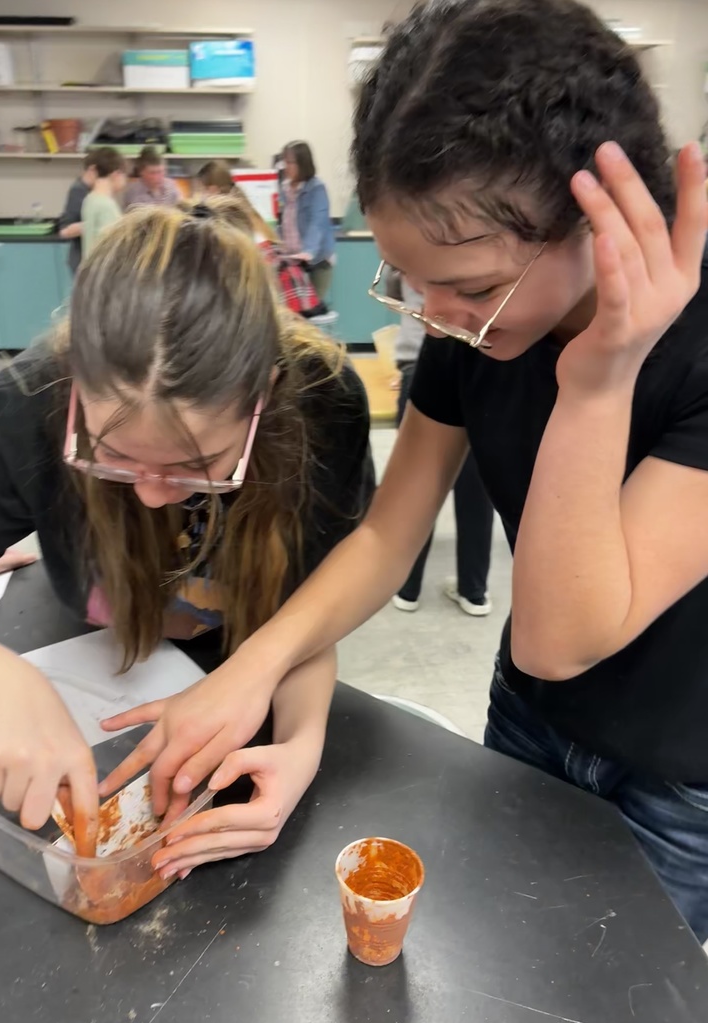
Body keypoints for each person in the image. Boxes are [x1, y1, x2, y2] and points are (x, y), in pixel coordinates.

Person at [131, 0, 708, 941]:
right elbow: (389, 533)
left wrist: (599, 380)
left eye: (473, 288)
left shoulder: (688, 348)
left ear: (604, 225)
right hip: (530, 721)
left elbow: (562, 635)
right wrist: (254, 669)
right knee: (503, 950)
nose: (437, 316)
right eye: (413, 282)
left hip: (681, 772)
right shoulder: (468, 321)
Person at [0, 202, 373, 869]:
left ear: (267, 398)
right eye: (112, 456)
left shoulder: (323, 403)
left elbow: (311, 613)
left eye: (196, 468)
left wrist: (302, 742)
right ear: (74, 389)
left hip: (259, 668)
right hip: (96, 660)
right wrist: (1, 682)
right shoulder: (21, 405)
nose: (148, 492)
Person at [387, 270, 494, 615]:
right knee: (476, 491)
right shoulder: (483, 250)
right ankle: (473, 590)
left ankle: (407, 587)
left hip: (420, 364)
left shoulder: (408, 250)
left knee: (419, 488)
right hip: (483, 365)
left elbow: (395, 289)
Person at [196, 161, 328, 318]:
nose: (201, 195)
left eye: (203, 189)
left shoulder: (226, 215)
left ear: (213, 189)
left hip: (279, 290)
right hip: (294, 288)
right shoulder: (246, 207)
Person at [279, 141, 335, 300]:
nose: (286, 166)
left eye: (291, 162)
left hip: (316, 263)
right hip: (292, 263)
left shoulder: (316, 188)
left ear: (303, 163)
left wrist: (308, 251)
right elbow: (283, 220)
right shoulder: (284, 188)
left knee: (312, 310)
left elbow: (317, 222)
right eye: (285, 162)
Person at [80, 146, 127, 259]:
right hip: (104, 273)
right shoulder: (106, 205)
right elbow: (112, 250)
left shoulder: (90, 199)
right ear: (117, 173)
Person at [57, 151, 98, 276]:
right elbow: (65, 229)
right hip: (81, 260)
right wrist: (98, 224)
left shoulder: (90, 191)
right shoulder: (78, 190)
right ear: (93, 169)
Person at [123, 146, 182, 211]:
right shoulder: (133, 193)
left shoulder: (171, 187)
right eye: (152, 173)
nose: (157, 177)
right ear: (141, 172)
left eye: (160, 172)